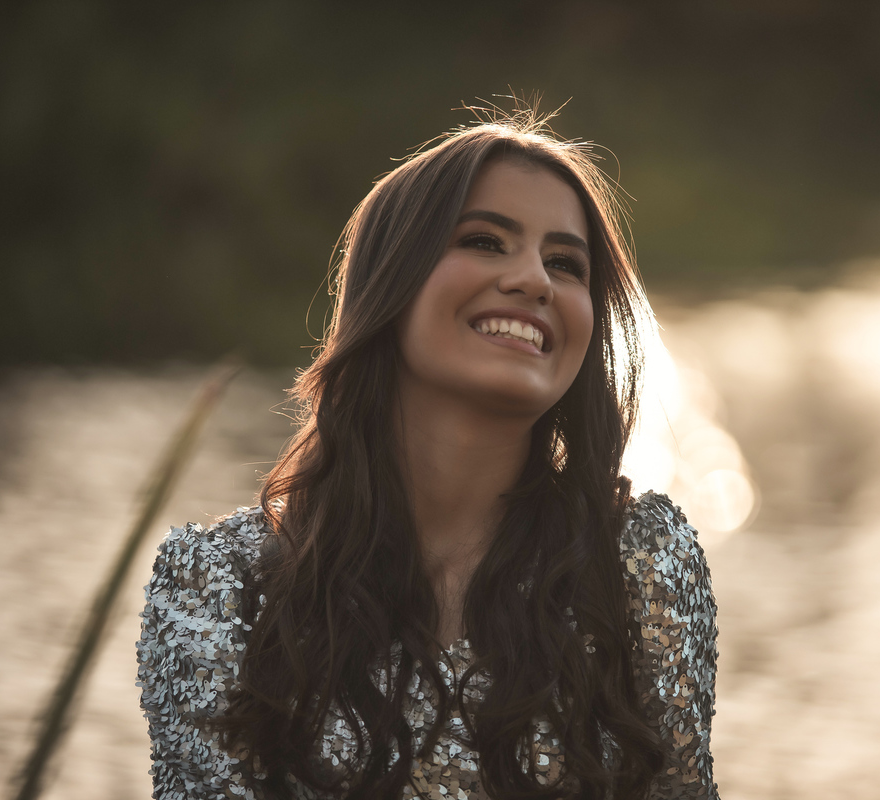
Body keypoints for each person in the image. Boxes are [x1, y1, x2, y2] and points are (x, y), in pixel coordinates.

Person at [137, 109, 718, 800]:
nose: (535, 280)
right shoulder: (219, 585)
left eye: (565, 264)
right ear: (391, 282)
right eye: (485, 241)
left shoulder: (639, 566)